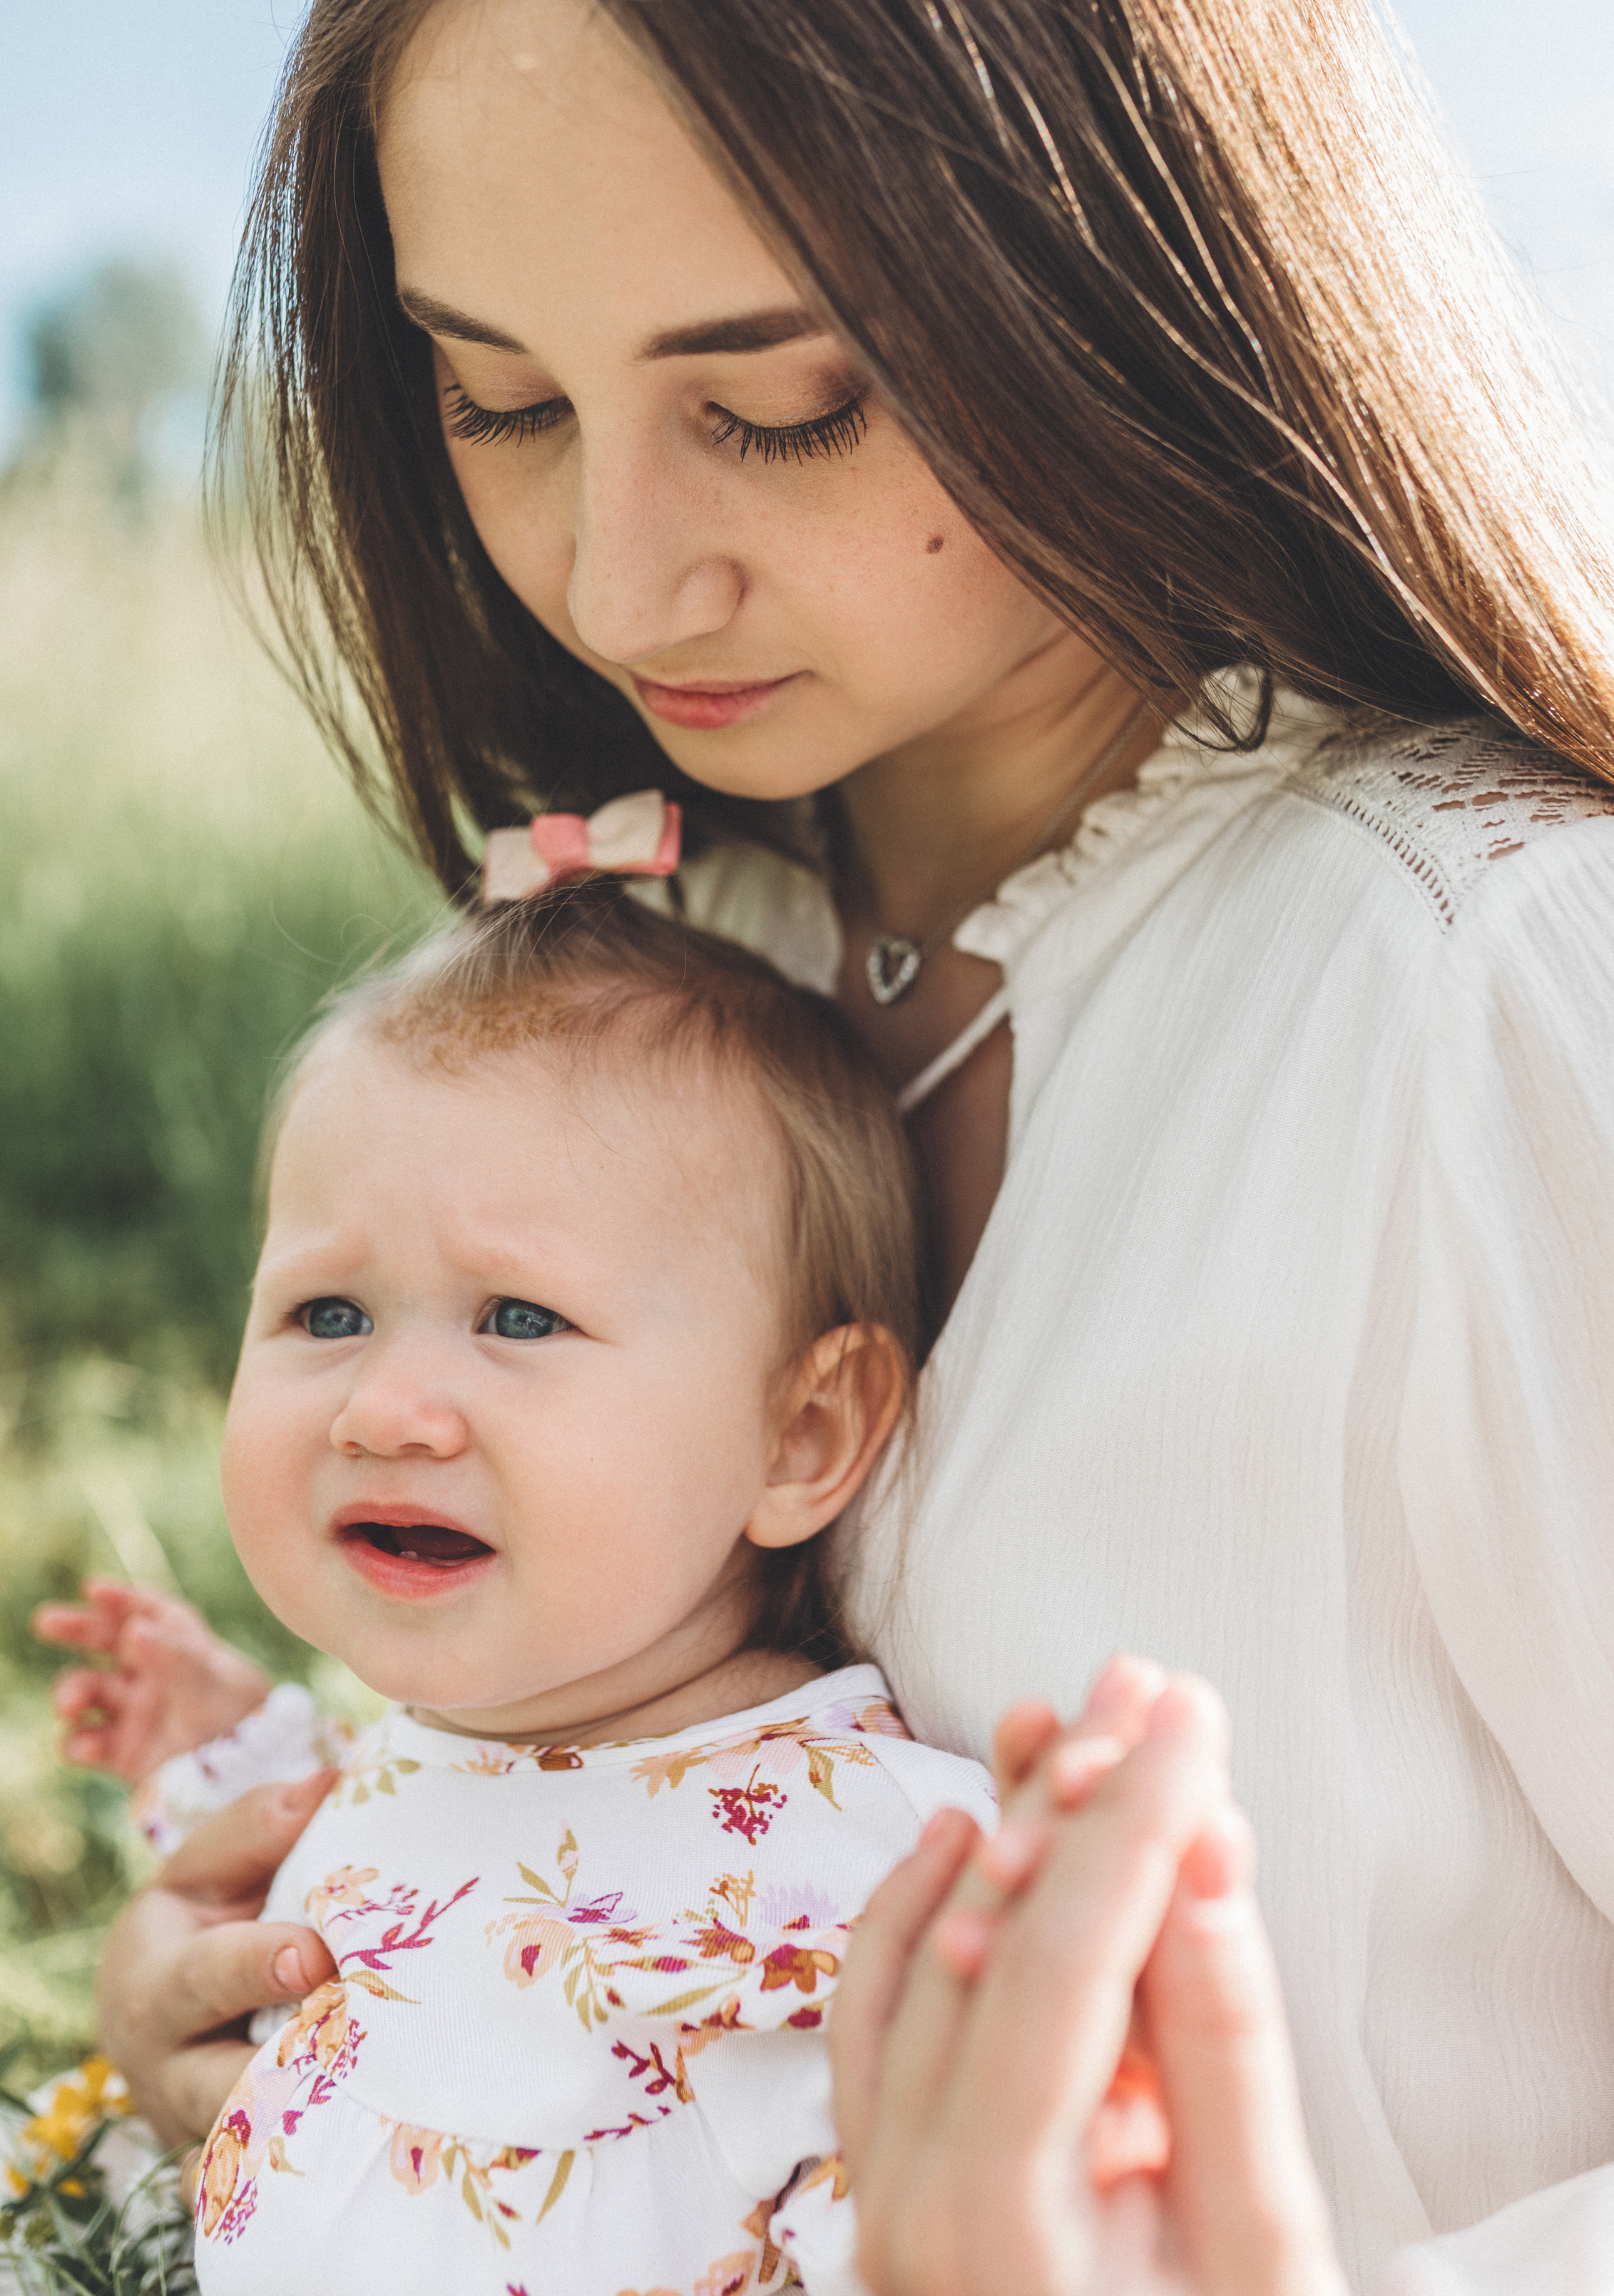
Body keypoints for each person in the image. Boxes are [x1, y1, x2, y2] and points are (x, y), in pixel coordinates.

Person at [0, 0, 1614, 2285]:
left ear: (1134, 254)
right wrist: (304, 2019)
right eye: (500, 397)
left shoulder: (1488, 994)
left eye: (781, 404)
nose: (617, 572)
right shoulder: (681, 980)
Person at [146, 882, 1024, 2292]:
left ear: (795, 1437)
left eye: (517, 1319)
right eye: (327, 1313)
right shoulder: (438, 1742)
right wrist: (212, 1752)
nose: (386, 1407)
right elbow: (334, 1875)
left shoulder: (841, 1865)